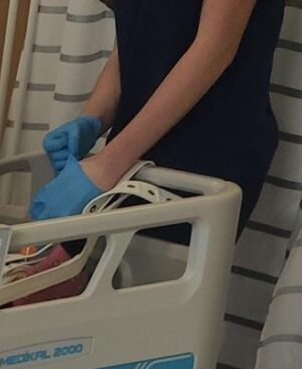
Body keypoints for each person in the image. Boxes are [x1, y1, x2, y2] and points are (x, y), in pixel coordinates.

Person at [34, 0, 288, 220]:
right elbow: (135, 38)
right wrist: (93, 118)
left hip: (208, 149)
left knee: (146, 262)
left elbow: (214, 49)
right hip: (134, 148)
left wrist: (108, 164)